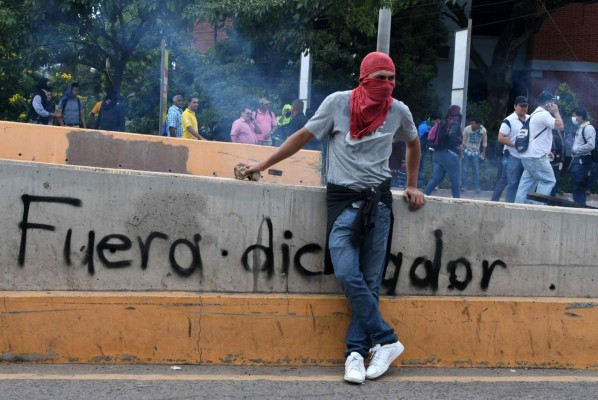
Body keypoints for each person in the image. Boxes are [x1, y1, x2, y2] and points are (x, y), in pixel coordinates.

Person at [242, 52, 425, 384]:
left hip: (379, 205)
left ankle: (355, 354)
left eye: (392, 78)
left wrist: (412, 185)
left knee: (370, 282)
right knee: (345, 271)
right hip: (342, 202)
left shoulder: (399, 111)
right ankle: (387, 339)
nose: (387, 84)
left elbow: (414, 144)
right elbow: (302, 137)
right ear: (364, 77)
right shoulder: (338, 104)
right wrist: (262, 165)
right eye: (380, 77)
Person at [514, 91, 564, 204]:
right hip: (537, 156)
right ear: (547, 103)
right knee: (548, 180)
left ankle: (519, 207)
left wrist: (547, 151)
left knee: (526, 183)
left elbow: (536, 137)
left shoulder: (533, 115)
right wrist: (556, 112)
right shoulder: (544, 115)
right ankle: (538, 207)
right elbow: (560, 126)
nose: (554, 104)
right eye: (552, 102)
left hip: (527, 155)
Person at [492, 96, 529, 202]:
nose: (523, 108)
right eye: (521, 106)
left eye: (525, 106)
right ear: (515, 106)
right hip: (512, 156)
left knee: (520, 182)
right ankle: (507, 204)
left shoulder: (530, 119)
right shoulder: (508, 120)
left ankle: (517, 203)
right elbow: (501, 138)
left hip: (525, 157)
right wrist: (516, 145)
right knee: (510, 182)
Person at [424, 105, 463, 198]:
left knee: (435, 179)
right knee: (455, 180)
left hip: (437, 154)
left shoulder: (443, 122)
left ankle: (424, 196)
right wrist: (460, 141)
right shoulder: (454, 122)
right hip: (449, 154)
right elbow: (452, 134)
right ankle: (457, 203)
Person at [569, 107, 596, 206]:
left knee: (579, 184)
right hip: (578, 159)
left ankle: (580, 206)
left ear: (580, 116)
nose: (573, 118)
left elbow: (591, 145)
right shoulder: (580, 128)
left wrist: (576, 150)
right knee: (576, 184)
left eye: (574, 116)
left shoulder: (588, 128)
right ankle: (578, 205)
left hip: (583, 160)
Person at [460, 116, 487, 193]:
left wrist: (483, 151)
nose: (472, 125)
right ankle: (464, 187)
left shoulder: (483, 130)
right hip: (467, 151)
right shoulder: (467, 129)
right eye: (471, 123)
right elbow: (463, 141)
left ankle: (476, 187)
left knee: (476, 170)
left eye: (473, 124)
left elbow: (484, 141)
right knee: (465, 170)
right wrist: (461, 152)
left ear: (478, 124)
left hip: (476, 152)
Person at [417, 114, 440, 188]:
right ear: (435, 120)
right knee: (419, 167)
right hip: (419, 148)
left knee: (422, 167)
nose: (438, 122)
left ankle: (419, 184)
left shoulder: (428, 125)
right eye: (437, 120)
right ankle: (415, 183)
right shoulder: (425, 126)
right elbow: (422, 138)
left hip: (424, 149)